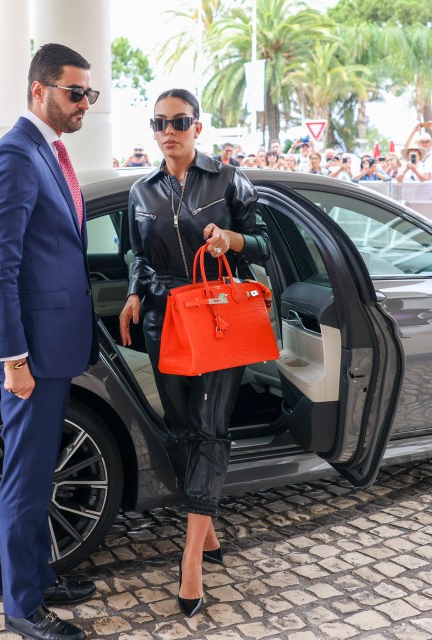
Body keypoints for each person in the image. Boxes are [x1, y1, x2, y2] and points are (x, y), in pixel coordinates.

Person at [118, 88, 272, 619]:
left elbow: (266, 243)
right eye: (159, 122)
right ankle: (205, 531)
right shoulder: (141, 191)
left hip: (219, 314)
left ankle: (190, 561)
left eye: (179, 121)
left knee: (209, 427)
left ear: (197, 127)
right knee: (182, 427)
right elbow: (137, 254)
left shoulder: (229, 179)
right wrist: (136, 293)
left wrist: (232, 239)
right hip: (166, 319)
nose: (169, 130)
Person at [0, 43, 100, 640]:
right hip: (32, 354)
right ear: (38, 90)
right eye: (74, 92)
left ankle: (40, 573)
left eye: (88, 94)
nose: (84, 104)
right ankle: (23, 606)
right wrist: (13, 358)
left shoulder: (48, 152)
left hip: (57, 344)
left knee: (40, 473)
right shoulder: (15, 156)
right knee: (24, 479)